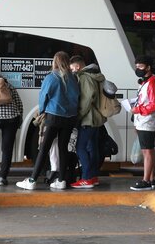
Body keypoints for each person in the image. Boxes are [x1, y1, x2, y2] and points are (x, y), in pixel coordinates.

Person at [17, 52, 79, 190]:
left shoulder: (51, 77)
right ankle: (61, 180)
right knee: (63, 148)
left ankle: (32, 180)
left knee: (44, 148)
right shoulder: (73, 78)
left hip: (54, 116)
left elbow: (43, 96)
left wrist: (43, 110)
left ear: (55, 62)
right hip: (70, 118)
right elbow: (77, 98)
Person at [69, 55, 107, 188]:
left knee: (80, 148)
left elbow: (87, 98)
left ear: (77, 66)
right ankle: (93, 176)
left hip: (88, 119)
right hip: (96, 118)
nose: (71, 71)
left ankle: (86, 178)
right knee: (92, 147)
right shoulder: (94, 75)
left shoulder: (84, 77)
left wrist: (78, 115)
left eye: (72, 68)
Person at [130, 56, 155, 191]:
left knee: (147, 152)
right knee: (149, 150)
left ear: (148, 67)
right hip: (142, 121)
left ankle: (146, 181)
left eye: (141, 67)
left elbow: (154, 105)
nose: (138, 69)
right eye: (136, 66)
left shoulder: (153, 82)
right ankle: (151, 179)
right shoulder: (145, 82)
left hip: (147, 121)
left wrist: (138, 109)